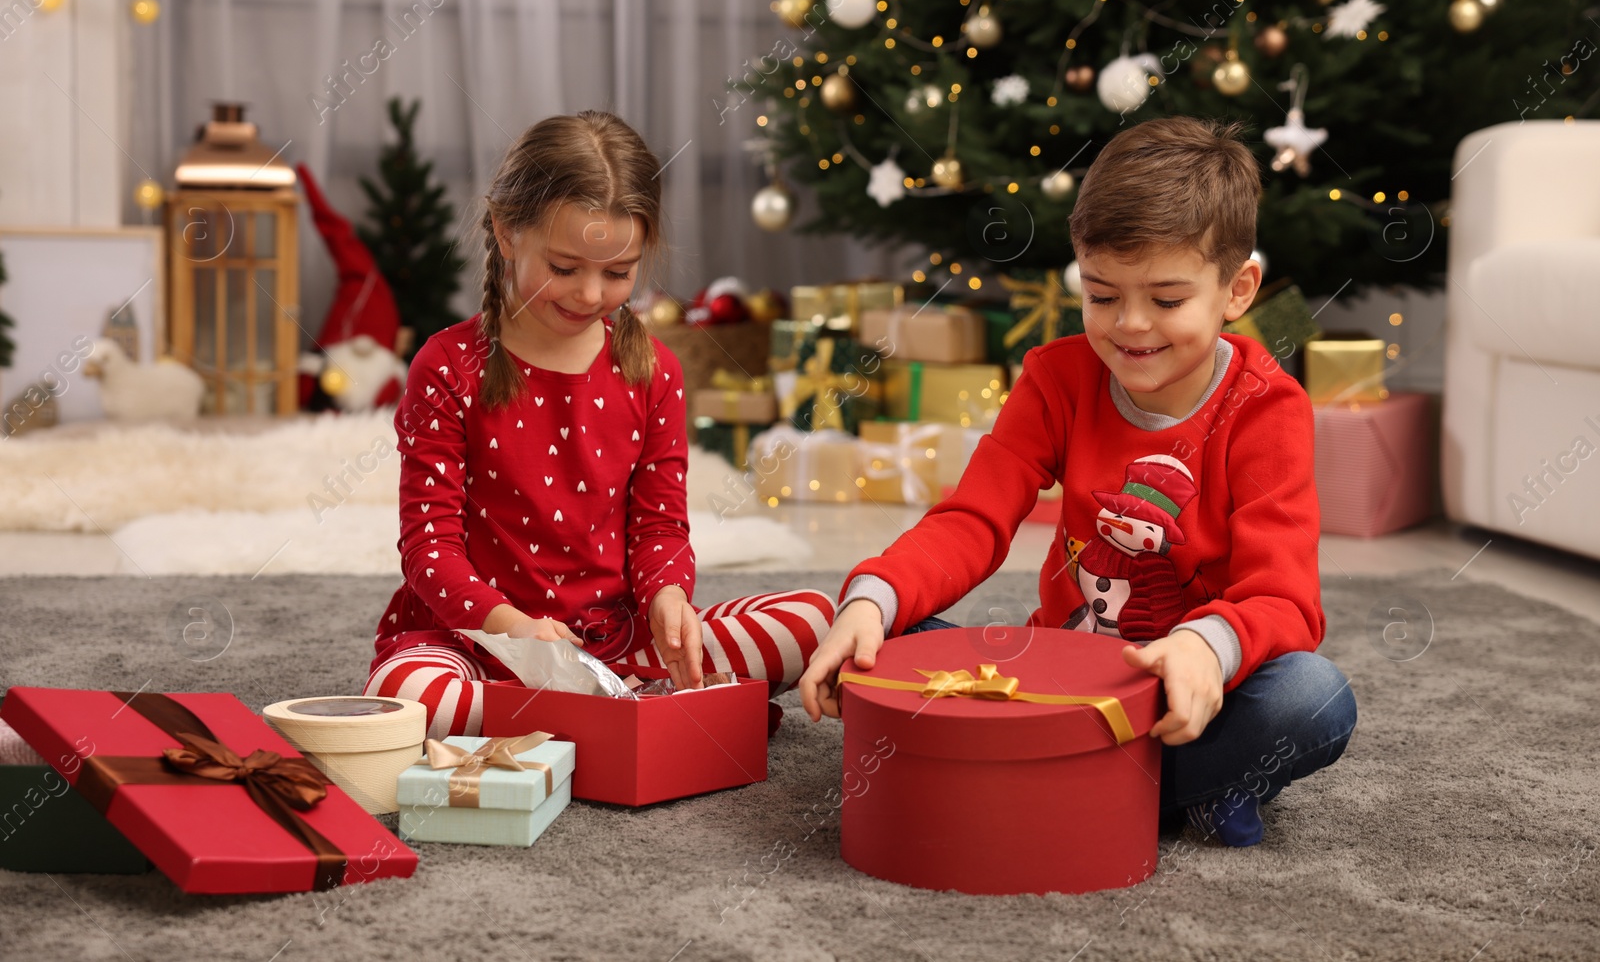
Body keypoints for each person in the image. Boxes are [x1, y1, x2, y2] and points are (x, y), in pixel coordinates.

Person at [798, 116, 1356, 846]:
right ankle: (1166, 790)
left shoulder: (1268, 406)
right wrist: (875, 600)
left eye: (1165, 300)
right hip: (1060, 683)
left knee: (1314, 697)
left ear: (1237, 289)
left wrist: (1204, 646)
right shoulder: (1057, 378)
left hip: (1194, 695)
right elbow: (972, 519)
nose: (1130, 325)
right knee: (878, 630)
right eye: (1101, 295)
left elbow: (1283, 599)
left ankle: (1046, 781)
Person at [366, 110, 834, 739]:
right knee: (408, 693)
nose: (590, 295)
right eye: (564, 268)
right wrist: (514, 630)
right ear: (506, 232)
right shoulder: (447, 365)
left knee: (816, 621)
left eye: (617, 273)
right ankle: (629, 716)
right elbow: (429, 549)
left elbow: (660, 526)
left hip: (617, 643)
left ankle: (586, 713)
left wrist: (669, 598)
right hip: (486, 644)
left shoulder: (654, 369)